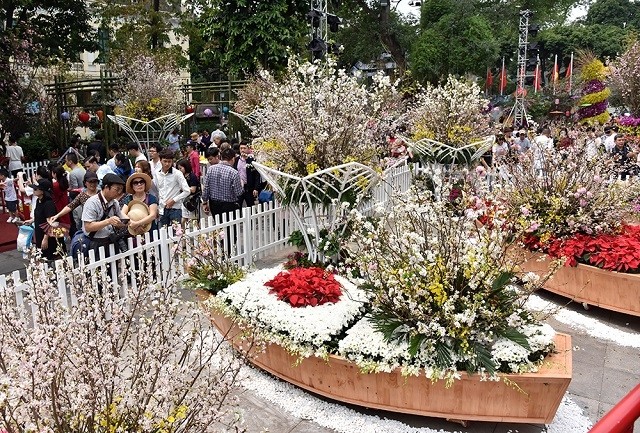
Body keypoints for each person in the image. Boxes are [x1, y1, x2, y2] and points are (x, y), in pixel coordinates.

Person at [81, 173, 128, 256]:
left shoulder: (115, 202)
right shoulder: (92, 203)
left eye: (121, 189)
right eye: (117, 189)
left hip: (111, 240)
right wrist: (108, 221)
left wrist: (128, 222)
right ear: (106, 187)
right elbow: (88, 227)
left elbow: (121, 216)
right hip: (95, 242)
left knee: (113, 267)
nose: (119, 192)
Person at [202, 147, 242, 219]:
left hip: (214, 203)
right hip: (229, 204)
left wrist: (204, 202)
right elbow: (238, 192)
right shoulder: (234, 173)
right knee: (231, 228)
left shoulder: (211, 169)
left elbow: (206, 188)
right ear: (233, 159)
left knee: (219, 227)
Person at [154, 149, 191, 227]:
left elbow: (187, 191)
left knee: (176, 234)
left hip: (175, 209)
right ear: (160, 160)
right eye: (165, 161)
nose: (167, 164)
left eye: (169, 161)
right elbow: (158, 191)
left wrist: (174, 200)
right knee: (162, 234)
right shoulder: (157, 173)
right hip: (162, 209)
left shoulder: (177, 173)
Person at [32, 179, 65, 260]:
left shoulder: (48, 204)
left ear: (42, 191)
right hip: (40, 232)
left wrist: (45, 238)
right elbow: (40, 215)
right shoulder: (38, 200)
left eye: (36, 189)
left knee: (49, 257)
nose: (34, 190)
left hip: (48, 236)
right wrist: (31, 220)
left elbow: (51, 222)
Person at [121, 172, 158, 236]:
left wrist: (137, 223)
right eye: (135, 183)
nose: (139, 184)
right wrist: (132, 223)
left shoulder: (151, 198)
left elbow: (153, 215)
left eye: (142, 182)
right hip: (133, 230)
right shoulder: (128, 199)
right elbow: (122, 213)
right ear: (132, 186)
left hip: (150, 230)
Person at [234, 141, 261, 207]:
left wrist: (256, 188)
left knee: (251, 206)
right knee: (237, 206)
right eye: (241, 148)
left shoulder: (252, 160)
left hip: (249, 187)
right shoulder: (236, 160)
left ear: (248, 149)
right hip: (239, 187)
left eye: (244, 148)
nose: (242, 150)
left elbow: (257, 175)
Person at [176, 159, 200, 225]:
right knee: (183, 219)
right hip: (183, 199)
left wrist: (184, 188)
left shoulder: (192, 176)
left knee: (193, 219)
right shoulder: (180, 176)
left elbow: (193, 189)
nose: (179, 170)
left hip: (191, 200)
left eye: (180, 168)